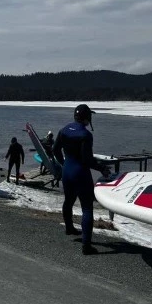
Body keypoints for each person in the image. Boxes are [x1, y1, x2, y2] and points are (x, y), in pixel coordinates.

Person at [53, 104, 111, 255]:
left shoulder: (64, 130)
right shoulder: (85, 135)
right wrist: (102, 169)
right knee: (87, 208)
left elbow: (55, 150)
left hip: (67, 171)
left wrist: (63, 164)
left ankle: (69, 228)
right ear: (87, 118)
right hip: (80, 173)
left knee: (68, 200)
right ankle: (86, 246)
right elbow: (87, 160)